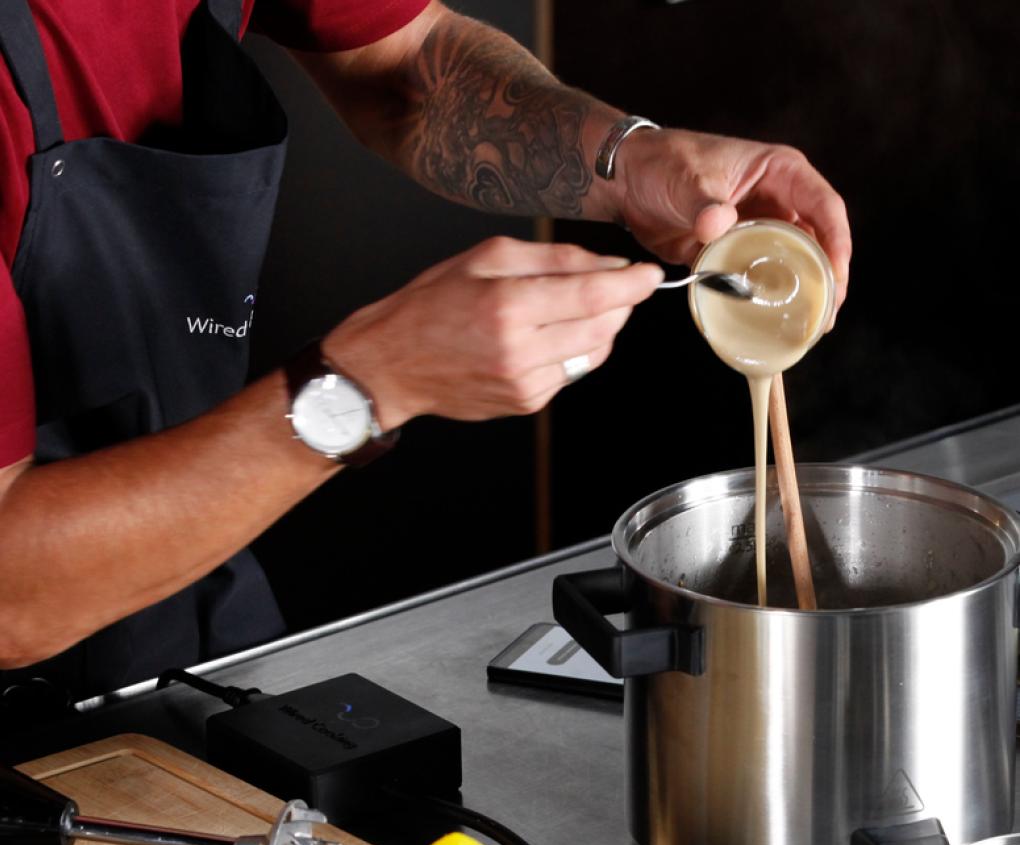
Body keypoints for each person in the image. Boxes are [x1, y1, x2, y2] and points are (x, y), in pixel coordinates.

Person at [0, 0, 851, 711]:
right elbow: (7, 599)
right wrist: (364, 388)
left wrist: (627, 161)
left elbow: (404, 65)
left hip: (188, 621)